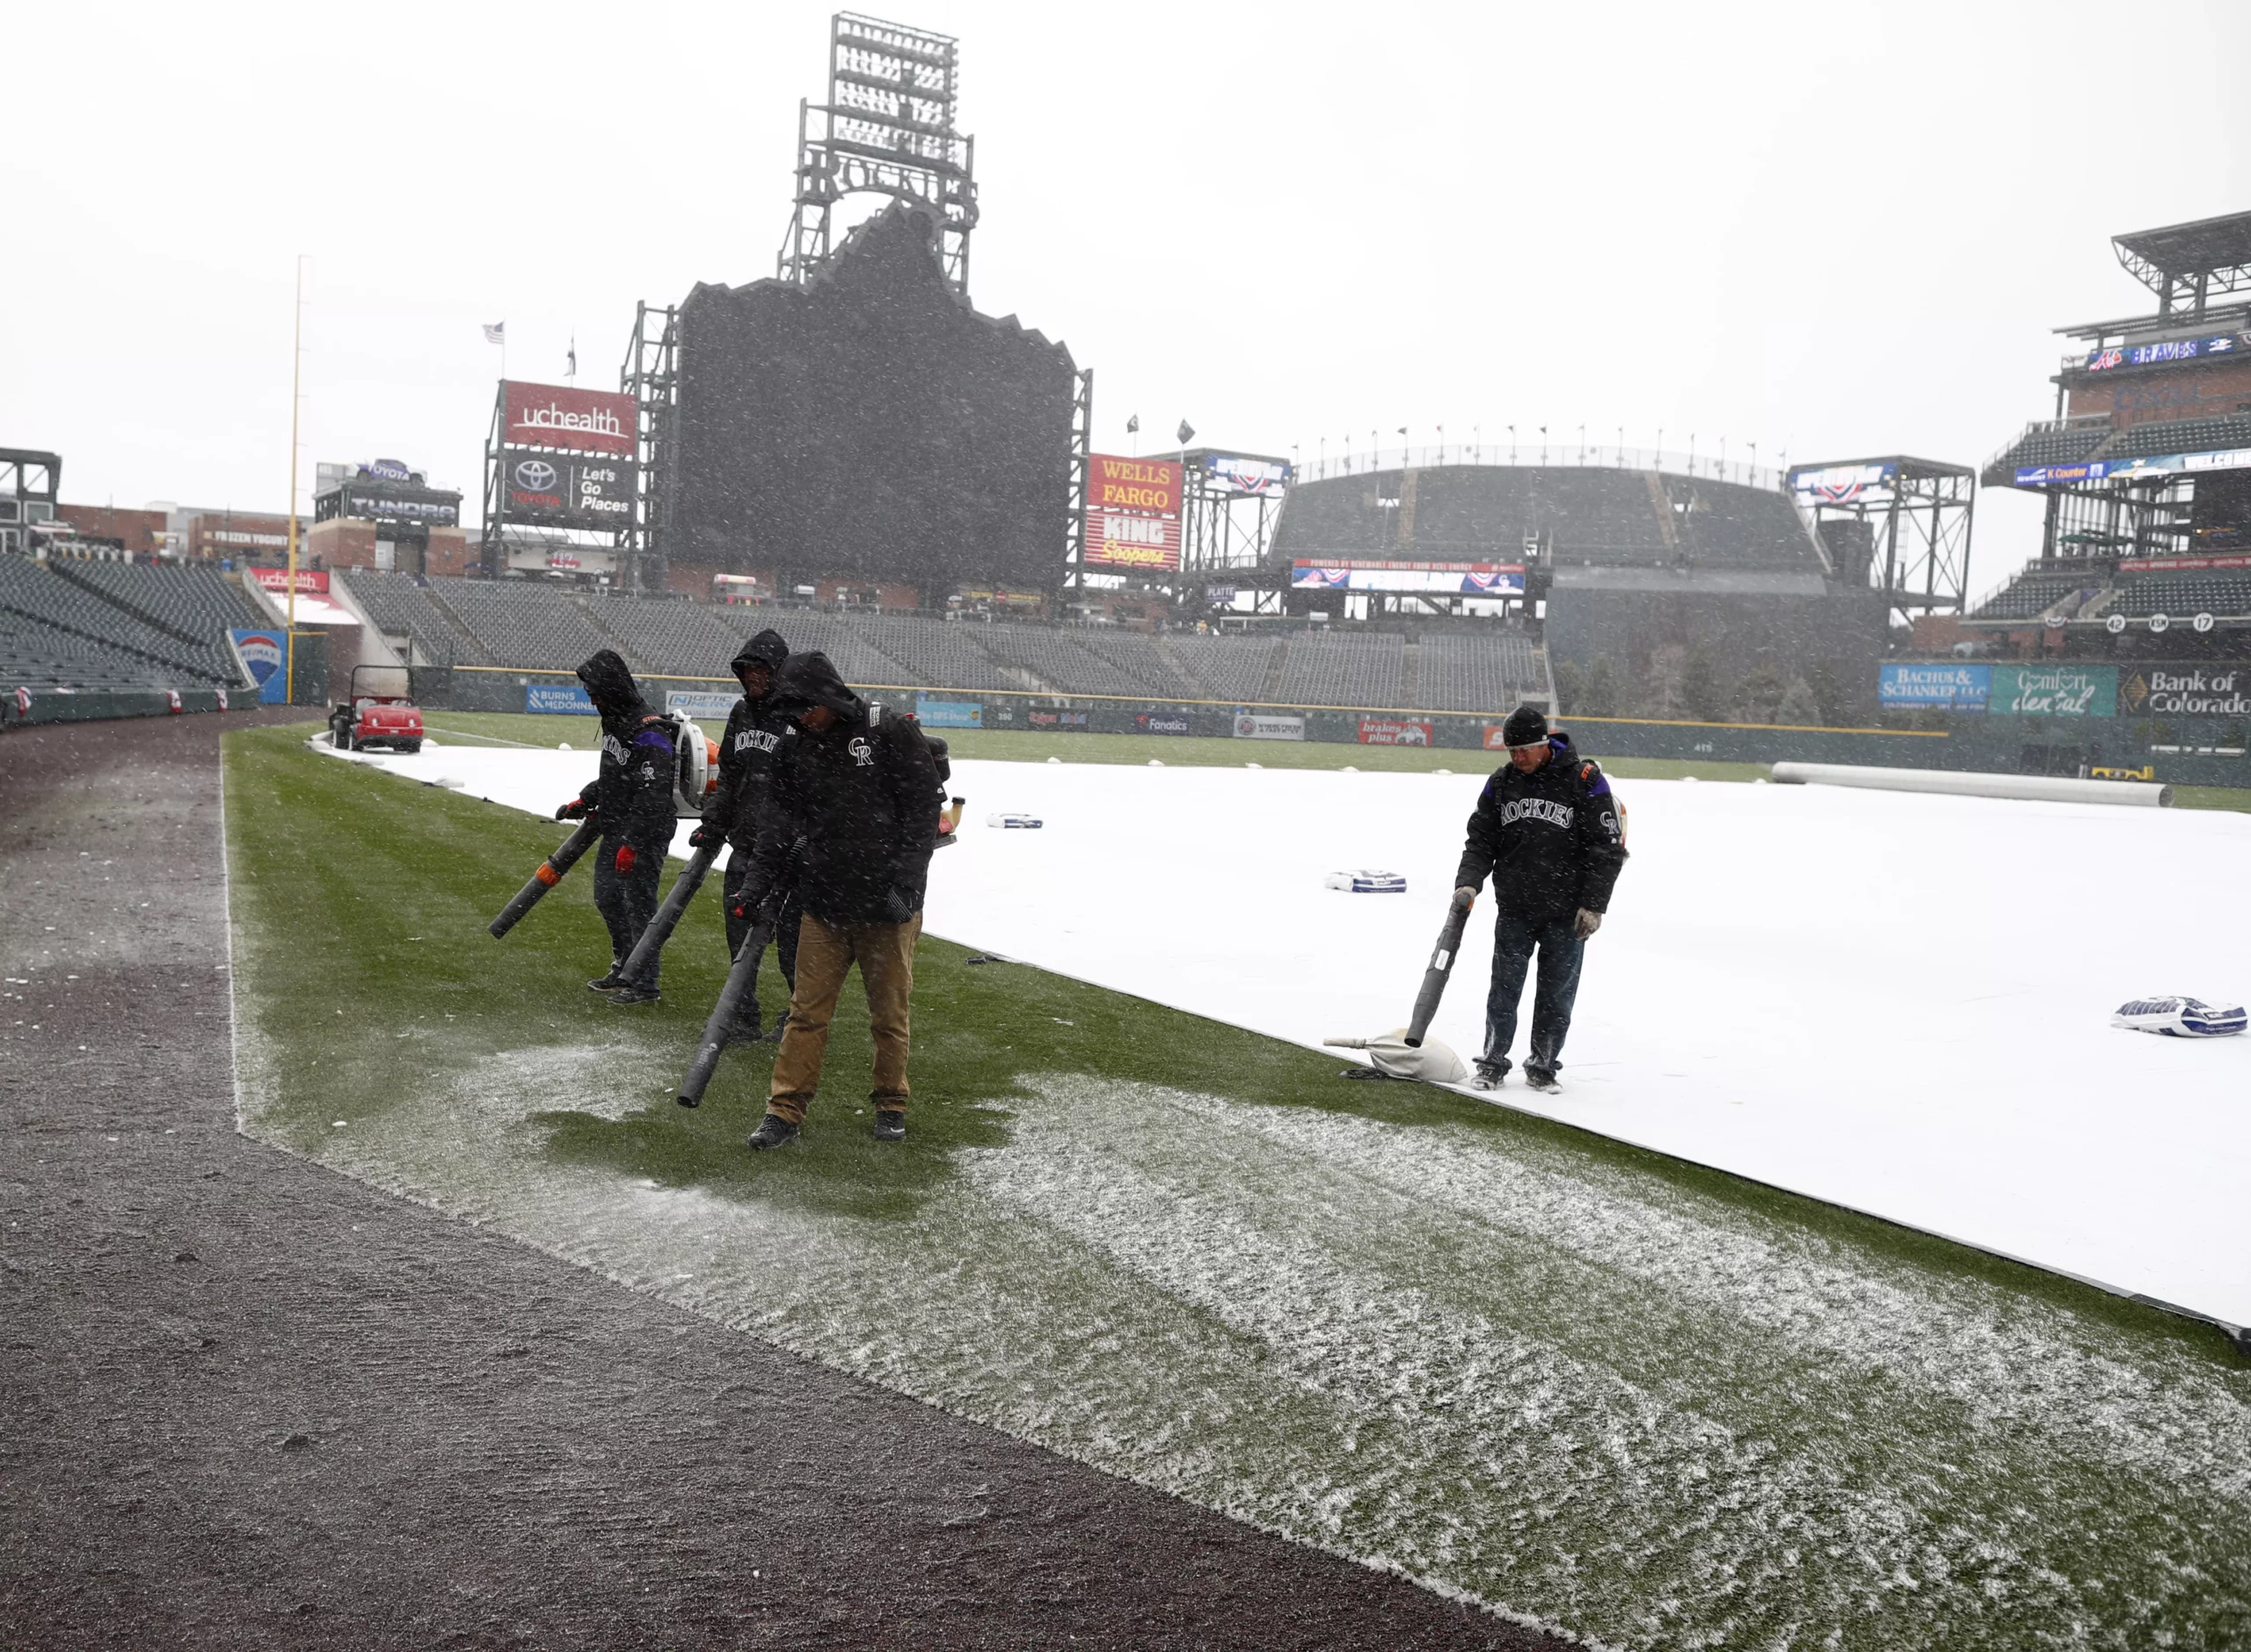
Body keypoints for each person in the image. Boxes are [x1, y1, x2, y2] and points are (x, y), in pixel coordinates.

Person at [730, 652, 940, 1149]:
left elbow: (924, 806)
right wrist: (755, 887)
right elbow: (778, 823)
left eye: (808, 708)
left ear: (829, 695)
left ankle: (891, 1103)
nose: (803, 719)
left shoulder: (886, 730)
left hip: (887, 905)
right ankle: (784, 1111)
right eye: (794, 712)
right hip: (823, 903)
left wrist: (907, 886)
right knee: (806, 1013)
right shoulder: (795, 747)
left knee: (888, 1014)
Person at [1452, 703, 1627, 1095]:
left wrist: (1594, 905)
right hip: (1515, 907)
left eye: (1524, 750)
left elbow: (1607, 848)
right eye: (1511, 751)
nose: (1517, 758)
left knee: (1555, 996)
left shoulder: (1586, 781)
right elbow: (1480, 840)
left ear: (1544, 743)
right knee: (1503, 991)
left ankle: (1543, 1067)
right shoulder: (1501, 784)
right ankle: (1493, 1063)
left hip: (1567, 913)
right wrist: (1469, 883)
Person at [688, 630, 798, 1042]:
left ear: (778, 671)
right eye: (747, 671)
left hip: (788, 853)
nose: (753, 678)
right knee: (739, 936)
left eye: (760, 671)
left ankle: (799, 1020)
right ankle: (744, 1015)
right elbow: (730, 776)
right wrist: (713, 822)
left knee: (793, 945)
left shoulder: (795, 715)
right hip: (745, 844)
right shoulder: (741, 712)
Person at [557, 650, 676, 1007]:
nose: (592, 699)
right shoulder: (613, 718)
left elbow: (653, 793)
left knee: (639, 904)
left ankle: (645, 983)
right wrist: (587, 798)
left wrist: (633, 843)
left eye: (595, 692)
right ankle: (625, 966)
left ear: (612, 687)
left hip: (645, 830)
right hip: (616, 824)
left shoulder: (650, 729)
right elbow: (615, 775)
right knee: (608, 897)